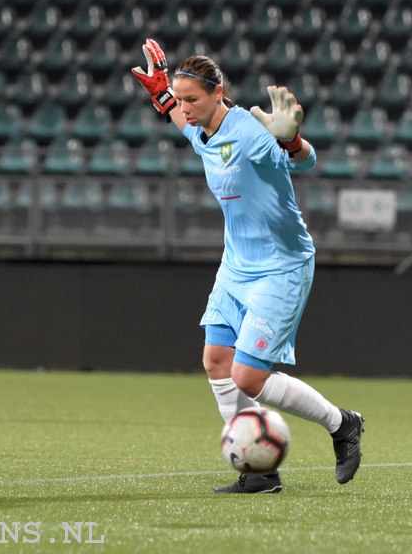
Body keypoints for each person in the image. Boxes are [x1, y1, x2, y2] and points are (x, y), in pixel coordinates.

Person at [131, 38, 363, 493]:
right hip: (236, 266)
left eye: (192, 99)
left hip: (282, 265)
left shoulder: (252, 132)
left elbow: (305, 161)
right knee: (216, 360)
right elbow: (183, 124)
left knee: (249, 377)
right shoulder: (201, 128)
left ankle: (343, 425)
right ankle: (259, 474)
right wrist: (163, 97)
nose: (186, 108)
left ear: (219, 94)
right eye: (180, 99)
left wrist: (292, 139)